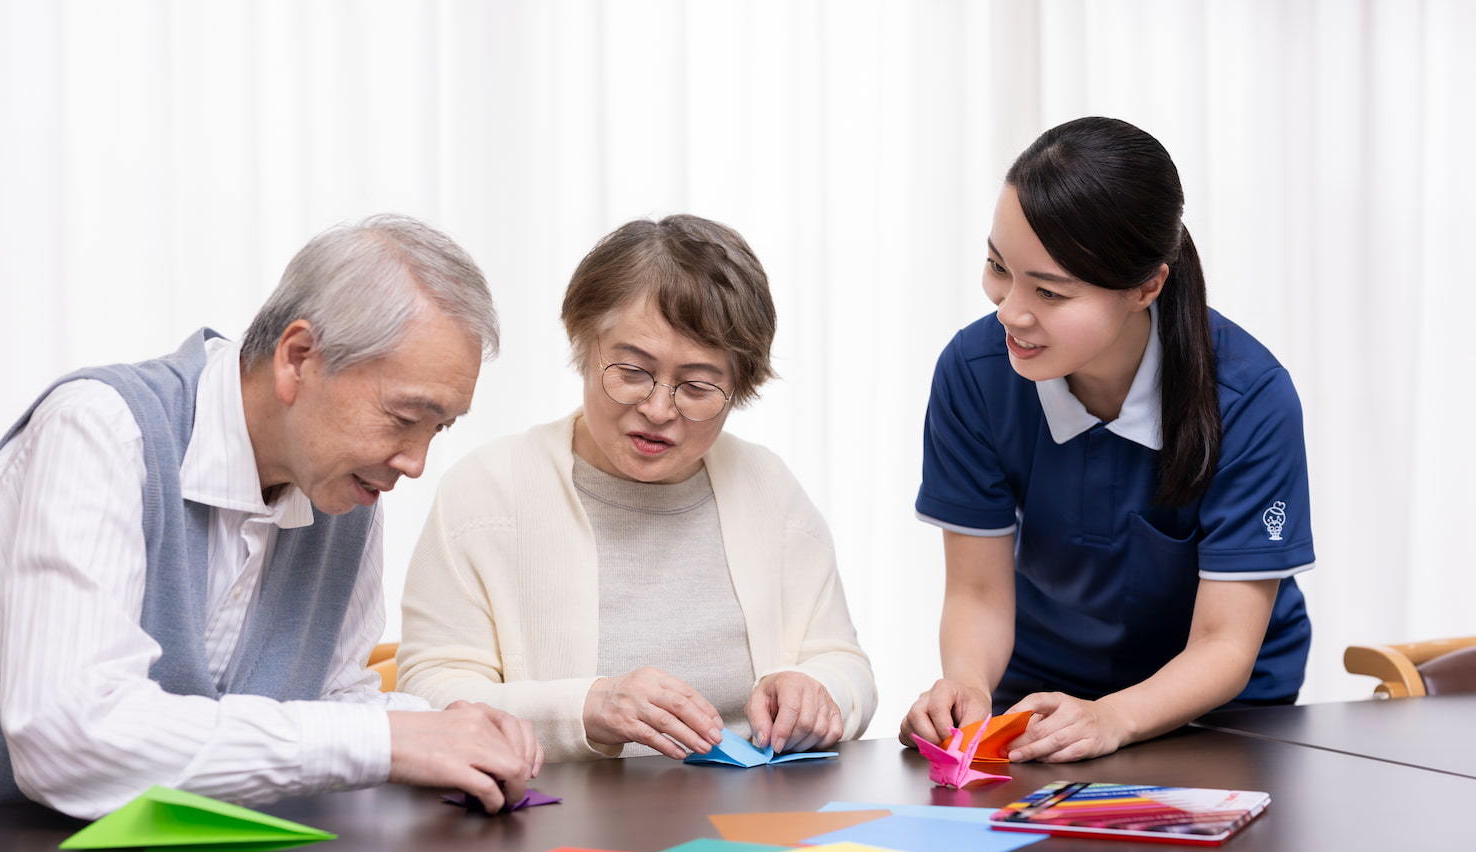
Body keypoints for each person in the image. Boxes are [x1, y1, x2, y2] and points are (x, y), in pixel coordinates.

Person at [0, 215, 541, 817]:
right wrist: (388, 738)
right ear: (299, 358)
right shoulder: (100, 432)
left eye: (439, 429)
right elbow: (72, 736)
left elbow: (328, 709)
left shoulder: (343, 488)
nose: (416, 462)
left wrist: (447, 727)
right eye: (403, 418)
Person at [903, 117, 1315, 763]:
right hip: (1042, 701)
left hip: (1223, 717)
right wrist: (967, 685)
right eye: (997, 267)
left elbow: (1224, 643)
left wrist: (1114, 718)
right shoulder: (976, 371)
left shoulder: (1249, 397)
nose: (1011, 310)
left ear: (1147, 286)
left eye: (1049, 291)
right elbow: (978, 591)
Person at [397, 215, 875, 762]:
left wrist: (818, 692)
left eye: (697, 386)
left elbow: (846, 665)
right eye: (632, 371)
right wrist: (586, 707)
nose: (658, 409)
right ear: (585, 344)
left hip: (751, 823)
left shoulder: (768, 489)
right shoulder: (488, 493)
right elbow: (429, 696)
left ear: (739, 385)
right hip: (561, 826)